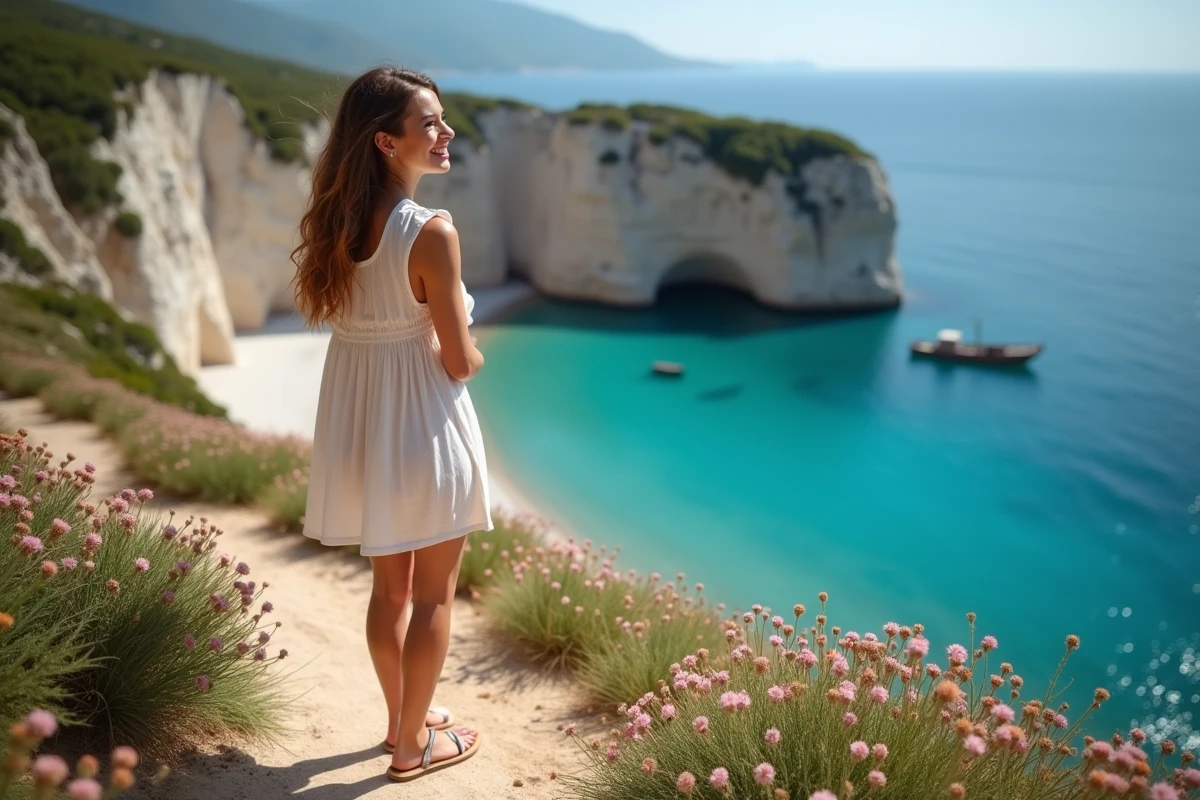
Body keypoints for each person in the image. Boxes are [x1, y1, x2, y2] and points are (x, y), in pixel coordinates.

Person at [290, 65, 489, 782]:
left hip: (364, 429)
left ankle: (399, 721)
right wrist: (467, 338)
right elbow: (460, 363)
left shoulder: (337, 225)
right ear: (384, 140)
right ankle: (412, 748)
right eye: (429, 122)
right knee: (434, 595)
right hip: (424, 426)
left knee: (391, 591)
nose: (446, 133)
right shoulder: (431, 232)